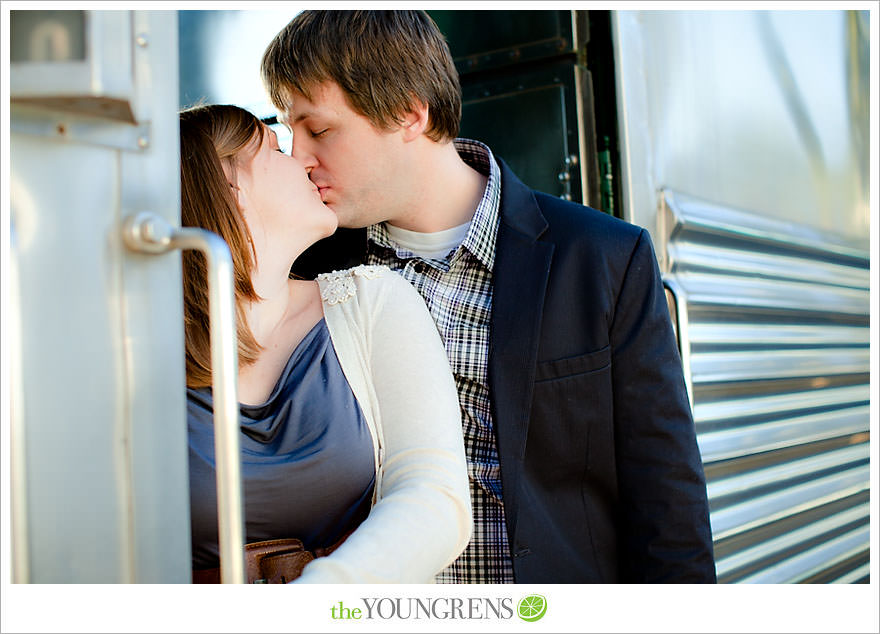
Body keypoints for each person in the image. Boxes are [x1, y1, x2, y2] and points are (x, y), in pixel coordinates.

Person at [261, 10, 717, 583]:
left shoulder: (601, 258)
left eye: (319, 129)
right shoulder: (306, 269)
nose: (298, 156)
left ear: (409, 110)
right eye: (287, 131)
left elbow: (666, 501)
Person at [179, 104, 472, 583]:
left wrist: (319, 600)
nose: (302, 160)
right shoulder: (139, 342)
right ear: (232, 190)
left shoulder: (371, 302)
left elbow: (434, 496)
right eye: (274, 149)